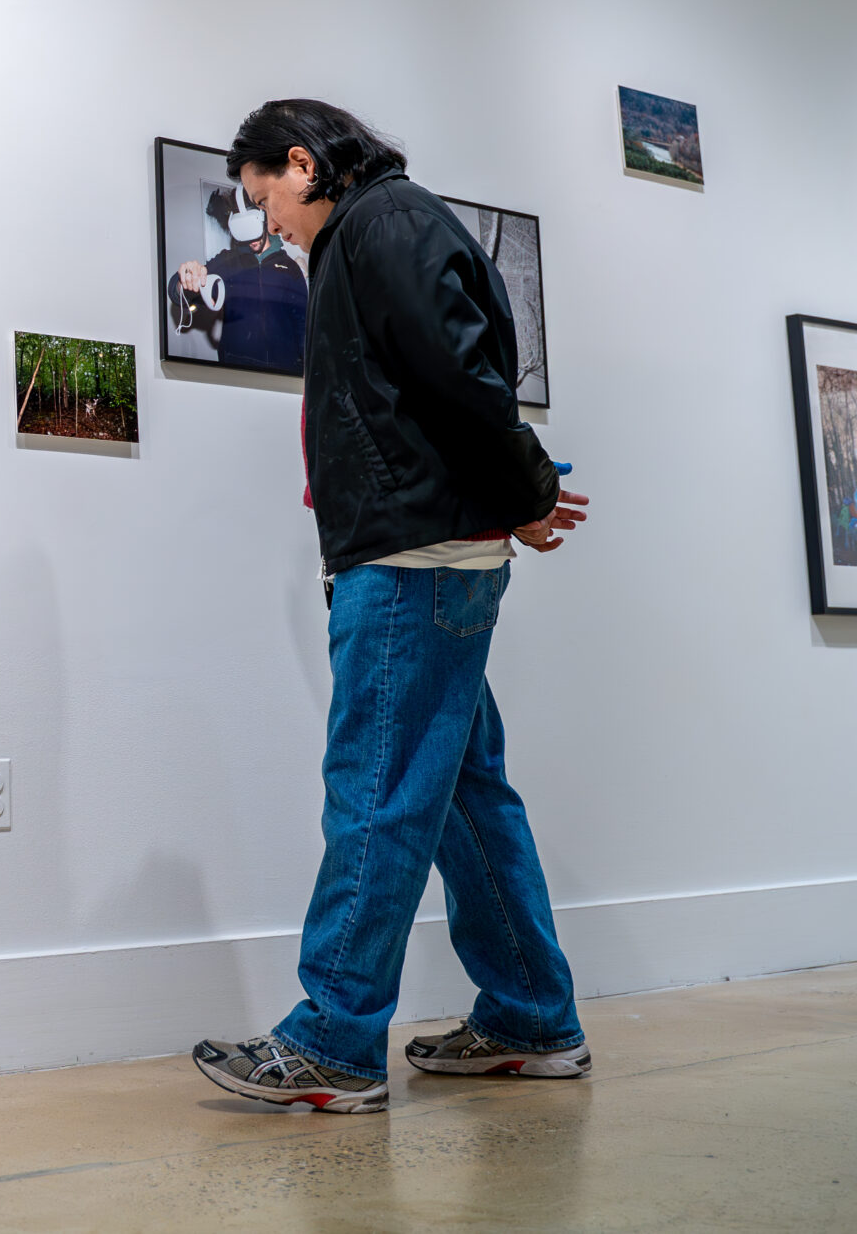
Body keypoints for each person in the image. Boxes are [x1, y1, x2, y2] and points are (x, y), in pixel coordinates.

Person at [192, 98, 593, 1115]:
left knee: (373, 792)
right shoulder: (374, 232)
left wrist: (528, 493)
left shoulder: (385, 223)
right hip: (425, 555)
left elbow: (465, 382)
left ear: (301, 162)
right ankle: (530, 1016)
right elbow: (414, 395)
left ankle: (333, 1041)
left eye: (265, 197)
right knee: (462, 795)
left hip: (410, 565)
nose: (266, 223)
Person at [168, 185, 307, 371]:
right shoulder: (227, 262)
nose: (252, 242)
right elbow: (180, 294)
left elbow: (304, 326)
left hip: (284, 374)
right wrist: (184, 281)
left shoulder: (290, 268)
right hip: (238, 373)